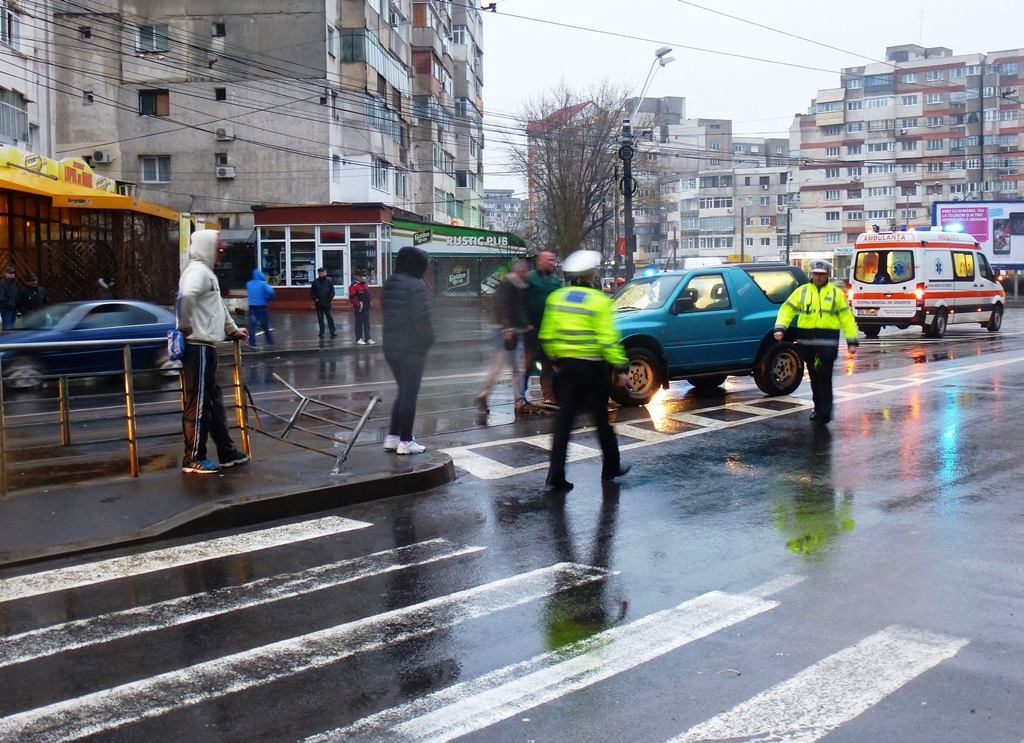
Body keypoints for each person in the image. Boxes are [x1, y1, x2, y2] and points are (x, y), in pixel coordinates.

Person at [539, 250, 631, 492]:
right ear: (593, 274)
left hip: (566, 369)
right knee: (601, 420)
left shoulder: (557, 298)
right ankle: (611, 468)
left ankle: (555, 477)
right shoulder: (600, 301)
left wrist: (555, 359)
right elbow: (608, 340)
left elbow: (547, 335)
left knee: (563, 424)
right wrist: (621, 367)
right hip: (592, 369)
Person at [176, 229, 250, 474]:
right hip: (198, 347)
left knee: (212, 402)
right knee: (199, 403)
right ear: (207, 248)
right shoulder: (198, 272)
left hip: (205, 347)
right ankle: (193, 457)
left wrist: (232, 330)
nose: (221, 253)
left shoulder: (206, 274)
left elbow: (217, 307)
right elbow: (184, 296)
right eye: (218, 248)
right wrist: (185, 325)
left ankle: (226, 451)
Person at [773, 260, 858, 426]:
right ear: (811, 274)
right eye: (816, 274)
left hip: (827, 342)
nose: (818, 277)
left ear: (827, 275)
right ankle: (818, 408)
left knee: (825, 377)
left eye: (822, 274)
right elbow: (787, 309)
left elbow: (846, 318)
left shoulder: (835, 293)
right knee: (814, 376)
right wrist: (780, 327)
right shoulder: (802, 291)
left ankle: (825, 411)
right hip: (807, 342)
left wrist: (852, 340)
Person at [382, 246, 434, 455]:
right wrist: (428, 341)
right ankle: (406, 441)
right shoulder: (416, 285)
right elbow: (422, 319)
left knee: (402, 391)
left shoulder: (390, 282)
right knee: (409, 394)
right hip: (411, 348)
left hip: (391, 345)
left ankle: (393, 436)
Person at [477, 259, 531, 415]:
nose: (526, 274)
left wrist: (523, 324)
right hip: (506, 332)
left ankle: (517, 398)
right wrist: (507, 327)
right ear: (519, 271)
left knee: (510, 368)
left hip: (511, 330)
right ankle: (485, 395)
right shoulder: (509, 284)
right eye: (524, 271)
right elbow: (504, 306)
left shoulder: (517, 284)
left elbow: (514, 307)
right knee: (507, 368)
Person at [521, 250, 562, 407]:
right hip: (531, 328)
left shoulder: (555, 281)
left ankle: (548, 395)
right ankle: (520, 395)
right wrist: (524, 322)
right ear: (539, 261)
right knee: (527, 362)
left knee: (548, 362)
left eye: (553, 260)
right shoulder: (530, 278)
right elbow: (520, 302)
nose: (551, 263)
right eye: (548, 260)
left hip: (549, 329)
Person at [245, 268, 275, 347]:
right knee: (265, 325)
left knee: (252, 326)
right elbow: (271, 292)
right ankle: (270, 341)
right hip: (261, 307)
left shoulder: (249, 284)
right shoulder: (263, 284)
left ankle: (252, 343)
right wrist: (268, 298)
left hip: (252, 308)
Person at [349, 270, 375, 344]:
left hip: (366, 307)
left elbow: (368, 294)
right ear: (357, 277)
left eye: (364, 276)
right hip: (359, 308)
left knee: (367, 323)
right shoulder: (353, 285)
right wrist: (359, 304)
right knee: (359, 323)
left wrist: (370, 302)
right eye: (361, 276)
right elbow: (352, 297)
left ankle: (368, 338)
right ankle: (359, 338)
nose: (363, 277)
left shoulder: (365, 284)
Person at [310, 266, 337, 338]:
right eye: (320, 273)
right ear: (318, 273)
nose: (321, 274)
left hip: (327, 303)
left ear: (325, 272)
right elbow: (312, 292)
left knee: (330, 318)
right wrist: (315, 299)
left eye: (323, 272)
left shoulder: (329, 280)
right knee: (320, 318)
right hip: (319, 303)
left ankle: (332, 331)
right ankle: (321, 332)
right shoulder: (315, 282)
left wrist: (329, 300)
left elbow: (332, 292)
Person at [0, 265, 17, 330]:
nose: (12, 275)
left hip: (13, 309)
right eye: (10, 273)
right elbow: (1, 297)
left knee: (12, 328)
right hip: (6, 309)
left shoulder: (13, 284)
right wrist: (9, 303)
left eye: (13, 273)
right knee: (7, 328)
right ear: (6, 274)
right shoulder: (2, 283)